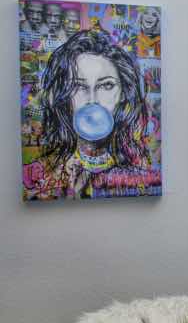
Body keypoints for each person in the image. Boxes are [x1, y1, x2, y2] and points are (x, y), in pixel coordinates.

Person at [23, 29, 152, 200]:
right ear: (63, 95)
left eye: (106, 85)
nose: (93, 100)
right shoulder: (35, 174)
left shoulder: (140, 175)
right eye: (78, 86)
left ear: (123, 93)